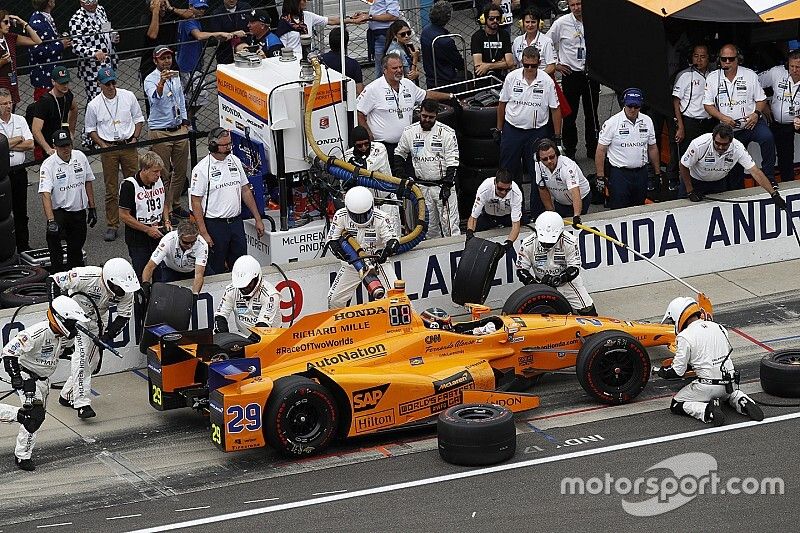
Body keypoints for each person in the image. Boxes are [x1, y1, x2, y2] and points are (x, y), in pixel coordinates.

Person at [1, 295, 88, 470]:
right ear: (60, 319)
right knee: (34, 416)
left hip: (43, 381)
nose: (74, 327)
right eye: (71, 322)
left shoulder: (63, 336)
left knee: (35, 420)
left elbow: (58, 352)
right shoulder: (36, 333)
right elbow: (9, 351)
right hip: (27, 377)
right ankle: (22, 454)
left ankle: (23, 454)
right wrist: (16, 376)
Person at [50, 257, 140, 419]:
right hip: (75, 316)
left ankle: (67, 395)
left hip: (98, 319)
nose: (122, 293)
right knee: (82, 358)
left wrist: (107, 337)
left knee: (92, 364)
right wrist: (58, 311)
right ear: (110, 280)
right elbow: (54, 281)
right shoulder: (86, 276)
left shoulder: (127, 291)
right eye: (119, 289)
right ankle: (82, 403)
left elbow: (123, 317)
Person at [658, 296, 764, 426]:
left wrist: (662, 372)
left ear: (678, 316)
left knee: (676, 404)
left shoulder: (684, 337)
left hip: (708, 386)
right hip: (730, 383)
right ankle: (741, 400)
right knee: (728, 394)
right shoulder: (719, 327)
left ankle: (707, 411)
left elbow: (677, 372)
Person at [495, 46, 561, 220]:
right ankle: (512, 213)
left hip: (537, 132)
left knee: (538, 173)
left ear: (539, 63)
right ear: (522, 63)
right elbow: (502, 104)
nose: (530, 69)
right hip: (512, 131)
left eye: (533, 65)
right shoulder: (511, 78)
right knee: (508, 172)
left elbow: (555, 109)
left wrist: (557, 137)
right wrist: (499, 129)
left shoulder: (547, 81)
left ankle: (539, 214)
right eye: (526, 65)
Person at [357, 54, 455, 169]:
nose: (399, 70)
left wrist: (450, 96)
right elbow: (359, 112)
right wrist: (369, 135)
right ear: (384, 70)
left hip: (406, 145)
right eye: (394, 68)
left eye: (400, 67)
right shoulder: (373, 88)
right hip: (383, 147)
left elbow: (426, 95)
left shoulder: (408, 84)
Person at [189, 128, 265, 274]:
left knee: (241, 264)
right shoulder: (202, 169)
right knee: (216, 266)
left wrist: (258, 218)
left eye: (229, 144)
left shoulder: (235, 161)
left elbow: (245, 190)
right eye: (224, 145)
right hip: (215, 225)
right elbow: (195, 202)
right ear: (212, 145)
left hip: (236, 223)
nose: (228, 148)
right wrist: (204, 232)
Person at [703, 43, 775, 191]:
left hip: (752, 123)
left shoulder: (749, 75)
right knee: (734, 165)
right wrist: (723, 118)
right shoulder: (712, 78)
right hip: (730, 127)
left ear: (738, 59)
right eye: (724, 59)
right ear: (719, 60)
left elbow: (761, 100)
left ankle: (769, 178)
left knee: (767, 137)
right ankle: (738, 191)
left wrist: (756, 114)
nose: (727, 62)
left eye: (731, 59)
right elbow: (707, 105)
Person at [85, 67, 145, 242]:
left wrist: (135, 138)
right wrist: (102, 144)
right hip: (108, 147)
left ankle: (137, 218)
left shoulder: (128, 96)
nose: (111, 87)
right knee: (111, 188)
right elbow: (90, 129)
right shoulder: (94, 105)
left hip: (128, 145)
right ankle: (112, 224)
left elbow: (138, 119)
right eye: (107, 84)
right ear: (99, 84)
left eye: (113, 83)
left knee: (134, 183)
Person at [394, 99, 460, 238]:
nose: (427, 120)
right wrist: (402, 175)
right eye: (424, 116)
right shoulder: (409, 132)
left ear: (437, 115)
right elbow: (399, 153)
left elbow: (453, 160)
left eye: (431, 117)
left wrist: (447, 184)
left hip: (442, 187)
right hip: (422, 187)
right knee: (429, 229)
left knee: (450, 227)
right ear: (419, 113)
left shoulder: (447, 133)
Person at [325, 186, 399, 309]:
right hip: (352, 264)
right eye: (356, 215)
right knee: (334, 299)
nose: (360, 219)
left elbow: (393, 240)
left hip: (377, 264)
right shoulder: (341, 215)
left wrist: (385, 252)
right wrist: (342, 253)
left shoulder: (382, 218)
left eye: (365, 214)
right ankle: (341, 325)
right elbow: (331, 240)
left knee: (396, 298)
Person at [679, 124, 785, 206]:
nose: (720, 147)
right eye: (718, 143)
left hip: (718, 183)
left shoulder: (737, 148)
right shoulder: (699, 144)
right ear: (713, 138)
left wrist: (774, 194)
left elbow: (755, 171)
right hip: (694, 182)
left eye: (724, 145)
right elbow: (683, 165)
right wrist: (690, 190)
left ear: (731, 141)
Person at [516, 210, 596, 316]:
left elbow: (575, 268)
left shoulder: (570, 242)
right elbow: (521, 270)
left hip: (567, 283)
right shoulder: (527, 244)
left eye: (550, 243)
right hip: (540, 284)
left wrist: (560, 278)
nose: (546, 245)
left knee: (589, 313)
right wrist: (533, 284)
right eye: (543, 242)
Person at [39, 129, 97, 272]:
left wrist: (92, 207)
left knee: (76, 248)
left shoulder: (80, 157)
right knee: (53, 243)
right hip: (59, 212)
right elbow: (45, 193)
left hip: (78, 211)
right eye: (61, 146)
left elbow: (88, 181)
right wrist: (51, 221)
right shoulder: (48, 165)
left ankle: (76, 276)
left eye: (67, 145)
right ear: (55, 146)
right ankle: (57, 274)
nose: (65, 149)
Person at [548, 0, 600, 161]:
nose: (577, 8)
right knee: (570, 114)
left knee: (591, 114)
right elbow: (547, 43)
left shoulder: (594, 19)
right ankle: (570, 149)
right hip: (571, 73)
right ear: (569, 6)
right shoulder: (561, 23)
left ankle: (593, 148)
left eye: (579, 4)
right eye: (573, 5)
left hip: (590, 73)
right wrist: (556, 64)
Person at [595, 88, 662, 209]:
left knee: (639, 208)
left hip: (641, 172)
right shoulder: (612, 123)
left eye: (636, 106)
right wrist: (600, 176)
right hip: (619, 174)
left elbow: (652, 148)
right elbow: (601, 150)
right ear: (624, 104)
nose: (632, 109)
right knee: (618, 208)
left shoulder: (647, 121)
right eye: (629, 106)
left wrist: (657, 173)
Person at [144, 45, 191, 218]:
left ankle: (175, 204)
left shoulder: (176, 76)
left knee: (180, 171)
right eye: (162, 58)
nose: (166, 61)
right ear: (156, 60)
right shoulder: (150, 79)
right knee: (162, 173)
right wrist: (162, 82)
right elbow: (154, 99)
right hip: (160, 131)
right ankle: (166, 210)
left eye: (168, 58)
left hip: (178, 129)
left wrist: (185, 122)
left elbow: (180, 100)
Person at [177, 0, 233, 119]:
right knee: (201, 94)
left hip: (193, 63)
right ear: (191, 7)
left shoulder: (195, 20)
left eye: (203, 8)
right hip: (188, 65)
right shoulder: (189, 20)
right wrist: (220, 33)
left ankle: (188, 119)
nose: (202, 10)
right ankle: (187, 118)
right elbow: (199, 36)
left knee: (192, 95)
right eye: (199, 8)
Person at [119, 151, 171, 278]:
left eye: (160, 171)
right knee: (142, 272)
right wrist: (147, 229)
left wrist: (167, 220)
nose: (159, 175)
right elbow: (124, 215)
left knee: (160, 272)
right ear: (144, 169)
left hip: (158, 232)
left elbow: (164, 202)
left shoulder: (159, 181)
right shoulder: (129, 186)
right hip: (138, 237)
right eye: (155, 172)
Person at [344, 126, 401, 236]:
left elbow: (367, 168)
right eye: (359, 145)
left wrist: (354, 167)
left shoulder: (379, 148)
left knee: (392, 237)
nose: (364, 148)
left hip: (386, 203)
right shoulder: (346, 156)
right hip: (366, 209)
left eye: (366, 143)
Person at [672, 44, 714, 179]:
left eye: (702, 57)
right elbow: (676, 101)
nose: (699, 60)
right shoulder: (684, 75)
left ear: (709, 58)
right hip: (690, 122)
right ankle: (680, 183)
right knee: (687, 156)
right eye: (696, 56)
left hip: (708, 121)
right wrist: (680, 126)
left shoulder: (714, 75)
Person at [214, 254, 280, 337]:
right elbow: (220, 315)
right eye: (241, 286)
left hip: (271, 337)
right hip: (245, 335)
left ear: (256, 278)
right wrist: (224, 337)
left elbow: (263, 325)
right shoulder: (231, 290)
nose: (244, 289)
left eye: (248, 284)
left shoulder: (270, 295)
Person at [0, 88, 34, 251]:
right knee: (3, 213)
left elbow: (30, 144)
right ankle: (6, 247)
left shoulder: (20, 120)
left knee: (21, 211)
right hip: (2, 176)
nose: (8, 106)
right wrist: (17, 139)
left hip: (20, 172)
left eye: (10, 102)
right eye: (4, 103)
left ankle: (23, 246)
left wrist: (6, 144)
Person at [760, 50, 800, 184]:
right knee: (771, 154)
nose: (794, 70)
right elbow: (753, 83)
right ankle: (769, 183)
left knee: (787, 158)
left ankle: (789, 185)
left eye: (798, 67)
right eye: (791, 66)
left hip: (796, 122)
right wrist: (763, 103)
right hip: (776, 122)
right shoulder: (776, 72)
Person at [274, 0, 366, 56]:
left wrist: (352, 20)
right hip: (292, 61)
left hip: (308, 59)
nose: (306, 1)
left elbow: (330, 21)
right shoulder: (284, 23)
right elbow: (282, 47)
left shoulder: (308, 16)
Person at [139, 0, 193, 92]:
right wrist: (155, 12)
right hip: (150, 64)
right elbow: (153, 35)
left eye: (164, 4)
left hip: (170, 61)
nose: (163, 8)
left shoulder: (169, 14)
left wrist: (171, 8)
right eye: (160, 6)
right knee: (154, 94)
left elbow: (190, 14)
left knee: (176, 90)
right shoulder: (146, 18)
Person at [143, 219, 209, 294]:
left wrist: (195, 295)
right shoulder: (168, 240)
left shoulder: (202, 244)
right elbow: (150, 266)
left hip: (191, 271)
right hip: (170, 270)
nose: (190, 245)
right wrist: (145, 284)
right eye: (186, 242)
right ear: (179, 236)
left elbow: (199, 275)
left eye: (193, 242)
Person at [69, 0, 118, 101]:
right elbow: (76, 46)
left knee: (112, 93)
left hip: (109, 61)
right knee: (96, 98)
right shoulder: (76, 20)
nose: (92, 4)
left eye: (94, 1)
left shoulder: (100, 9)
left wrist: (113, 35)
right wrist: (93, 53)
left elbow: (106, 28)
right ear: (81, 3)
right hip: (93, 67)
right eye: (88, 2)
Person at [534, 138, 590, 223]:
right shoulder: (538, 165)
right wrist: (551, 212)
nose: (549, 161)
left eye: (552, 157)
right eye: (545, 159)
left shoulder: (567, 167)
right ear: (539, 159)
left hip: (581, 198)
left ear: (557, 154)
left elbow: (575, 192)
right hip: (560, 201)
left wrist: (576, 216)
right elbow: (542, 188)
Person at [466, 169, 521, 252]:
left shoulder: (516, 192)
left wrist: (508, 244)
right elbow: (473, 217)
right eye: (500, 188)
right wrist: (469, 233)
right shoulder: (485, 188)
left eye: (507, 190)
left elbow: (516, 226)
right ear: (495, 182)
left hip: (508, 217)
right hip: (489, 216)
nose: (503, 192)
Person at [31, 64, 77, 161]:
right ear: (53, 82)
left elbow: (74, 108)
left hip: (65, 139)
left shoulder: (68, 95)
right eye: (61, 83)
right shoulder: (45, 101)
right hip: (50, 142)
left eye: (66, 82)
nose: (65, 86)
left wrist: (71, 131)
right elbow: (36, 129)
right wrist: (47, 148)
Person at [28, 0, 71, 101]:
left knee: (63, 104)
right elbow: (36, 50)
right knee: (45, 109)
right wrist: (60, 45)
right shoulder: (36, 22)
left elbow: (47, 41)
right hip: (44, 78)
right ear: (48, 2)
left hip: (54, 74)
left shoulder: (45, 17)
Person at [0, 10, 42, 108]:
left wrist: (23, 22)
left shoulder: (10, 37)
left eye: (10, 22)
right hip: (1, 85)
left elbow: (37, 41)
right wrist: (2, 62)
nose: (9, 25)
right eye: (5, 22)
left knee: (10, 114)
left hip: (11, 84)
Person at [420, 1, 464, 89]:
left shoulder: (425, 30)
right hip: (446, 80)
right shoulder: (445, 41)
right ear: (448, 17)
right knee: (467, 75)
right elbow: (459, 63)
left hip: (431, 77)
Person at [470, 4, 514, 81]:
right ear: (484, 19)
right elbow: (478, 65)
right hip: (483, 80)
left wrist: (487, 66)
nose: (495, 21)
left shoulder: (504, 35)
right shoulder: (477, 36)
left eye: (498, 18)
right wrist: (502, 63)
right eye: (491, 18)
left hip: (501, 79)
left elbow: (510, 63)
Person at [512, 9, 555, 73]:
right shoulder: (517, 41)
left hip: (541, 78)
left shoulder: (547, 41)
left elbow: (551, 67)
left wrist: (536, 77)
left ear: (539, 23)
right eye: (527, 22)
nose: (530, 25)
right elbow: (514, 64)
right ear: (522, 23)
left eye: (533, 22)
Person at [321, 28, 363, 95]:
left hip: (324, 96)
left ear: (329, 42)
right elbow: (359, 90)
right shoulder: (353, 64)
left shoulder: (320, 60)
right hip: (345, 101)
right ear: (346, 44)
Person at [210, 0, 253, 65]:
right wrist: (233, 34)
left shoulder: (246, 7)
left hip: (246, 45)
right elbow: (216, 37)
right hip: (225, 51)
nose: (232, 0)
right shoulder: (216, 13)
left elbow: (254, 26)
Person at [367, 0, 400, 72]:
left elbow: (393, 15)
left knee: (393, 64)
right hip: (377, 35)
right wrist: (365, 15)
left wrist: (370, 17)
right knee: (381, 67)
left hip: (386, 35)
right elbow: (379, 11)